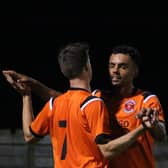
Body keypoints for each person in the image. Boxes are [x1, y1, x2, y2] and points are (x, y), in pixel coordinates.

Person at [2, 43, 162, 168]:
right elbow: (71, 101)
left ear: (136, 70)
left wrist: (151, 125)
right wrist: (35, 86)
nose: (115, 71)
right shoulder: (98, 98)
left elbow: (161, 134)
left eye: (122, 66)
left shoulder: (146, 100)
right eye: (111, 65)